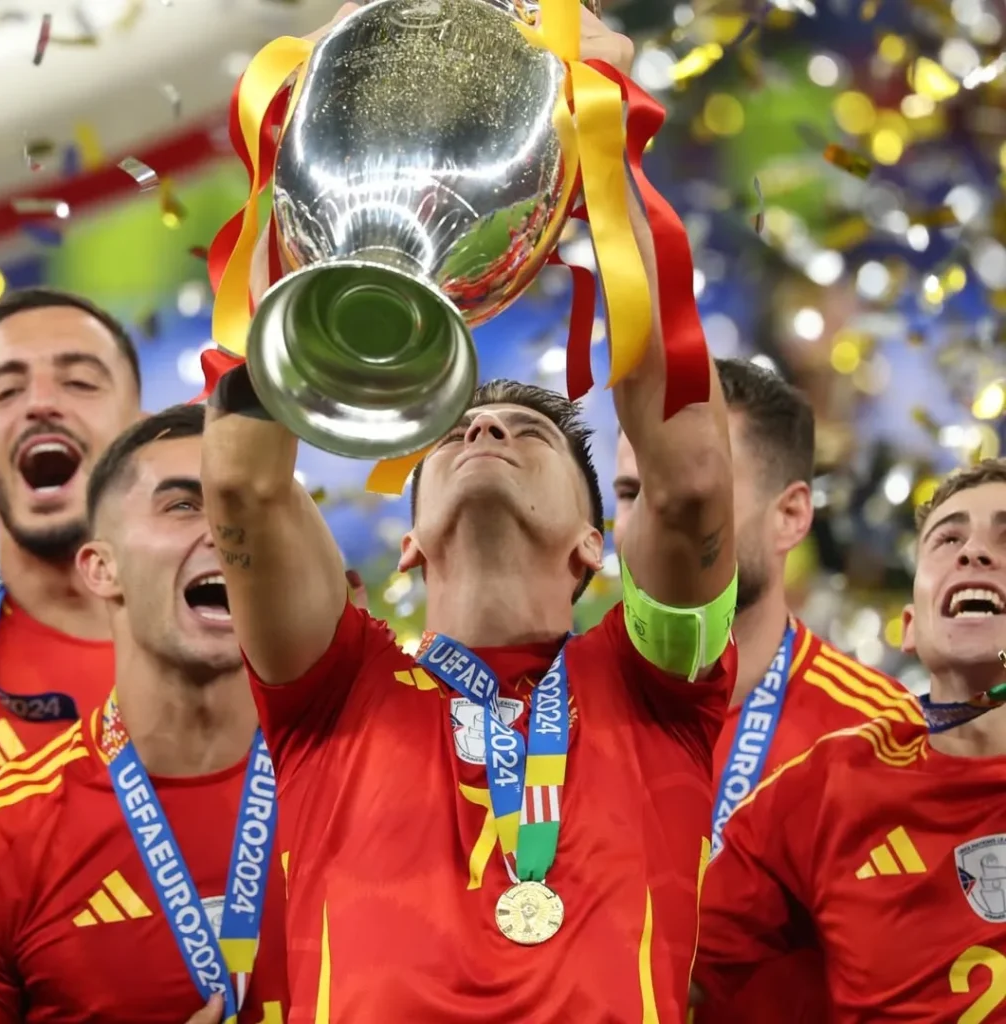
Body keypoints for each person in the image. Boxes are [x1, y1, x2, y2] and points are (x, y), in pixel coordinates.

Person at [202, 6, 738, 1022]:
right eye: (455, 434)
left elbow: (692, 484)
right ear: (408, 543)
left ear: (595, 543)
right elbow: (242, 487)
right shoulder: (335, 686)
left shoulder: (659, 683)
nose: (484, 430)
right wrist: (296, 160)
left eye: (528, 434)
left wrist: (607, 149)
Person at [615, 357, 922, 1023]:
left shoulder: (881, 740)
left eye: (697, 490)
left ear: (791, 516)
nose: (658, 517)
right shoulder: (553, 713)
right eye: (632, 492)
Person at [0, 405, 288, 1024]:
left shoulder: (363, 786)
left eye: (242, 506)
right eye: (184, 505)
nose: (225, 531)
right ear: (102, 568)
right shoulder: (4, 836)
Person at [692, 458, 1006, 1023]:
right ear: (910, 627)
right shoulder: (826, 787)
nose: (974, 552)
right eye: (948, 539)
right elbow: (662, 972)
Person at [0, 288, 142, 783]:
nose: (41, 404)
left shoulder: (245, 641)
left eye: (80, 382)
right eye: (5, 391)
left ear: (140, 433)